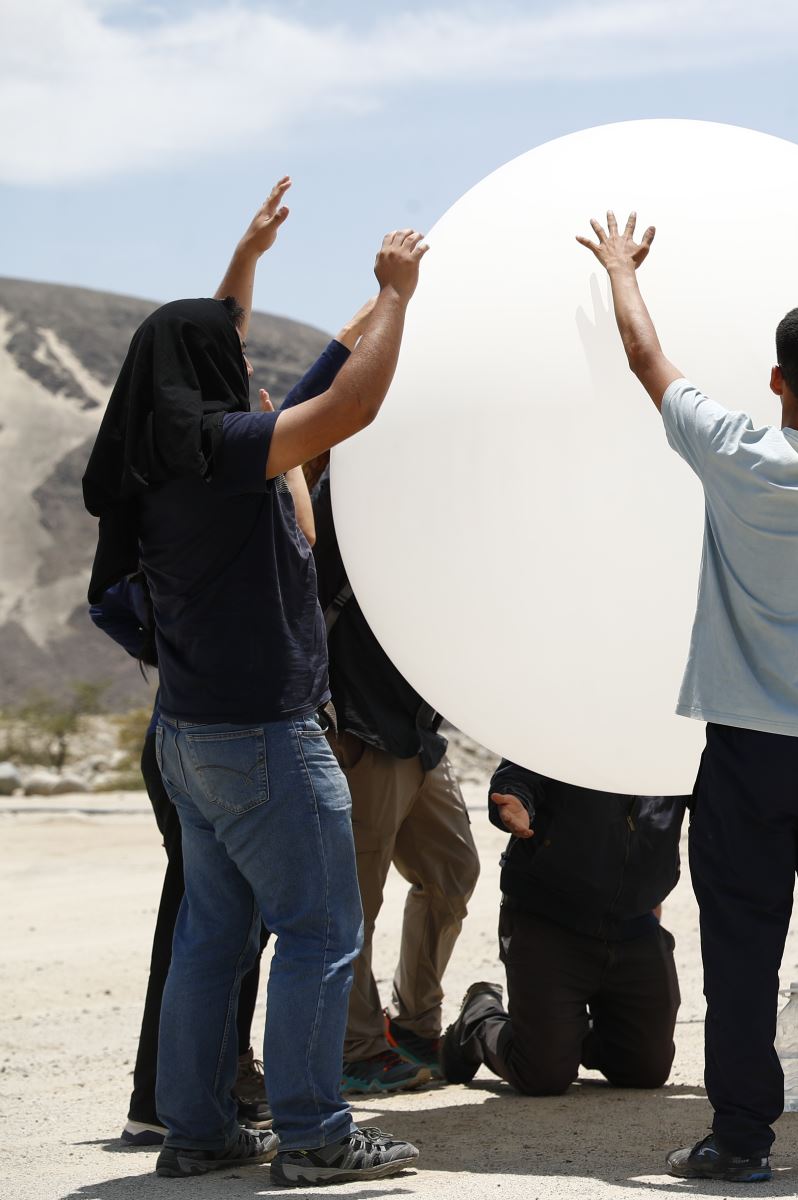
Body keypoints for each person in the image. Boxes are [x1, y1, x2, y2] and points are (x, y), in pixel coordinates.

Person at [81, 176, 430, 1185]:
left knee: (213, 937)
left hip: (188, 739)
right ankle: (316, 1136)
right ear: (208, 376)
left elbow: (284, 365)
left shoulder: (158, 462)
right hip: (264, 741)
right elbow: (351, 401)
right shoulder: (231, 455)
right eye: (233, 355)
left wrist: (251, 257)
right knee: (321, 930)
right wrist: (398, 298)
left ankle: (196, 1134)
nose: (248, 364)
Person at [576, 191, 798, 1181]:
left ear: (776, 379)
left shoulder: (734, 451)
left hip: (749, 754)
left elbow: (646, 360)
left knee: (742, 955)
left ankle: (742, 1140)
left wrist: (622, 270)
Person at [287, 303, 483, 1097]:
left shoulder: (429, 503)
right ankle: (358, 1050)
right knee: (354, 903)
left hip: (415, 730)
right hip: (359, 728)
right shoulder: (339, 495)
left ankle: (416, 1021)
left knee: (453, 871)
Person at [91, 576, 273, 1147]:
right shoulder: (211, 516)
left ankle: (190, 1099)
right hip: (210, 741)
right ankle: (167, 1105)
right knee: (208, 925)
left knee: (221, 925)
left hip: (195, 736)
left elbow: (106, 602)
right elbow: (106, 601)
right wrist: (163, 650)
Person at [438, 761, 685, 1095]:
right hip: (549, 916)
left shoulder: (677, 734)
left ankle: (564, 1034)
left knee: (645, 1070)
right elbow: (517, 772)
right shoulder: (573, 717)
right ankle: (480, 1018)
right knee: (542, 1076)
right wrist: (514, 801)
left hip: (635, 925)